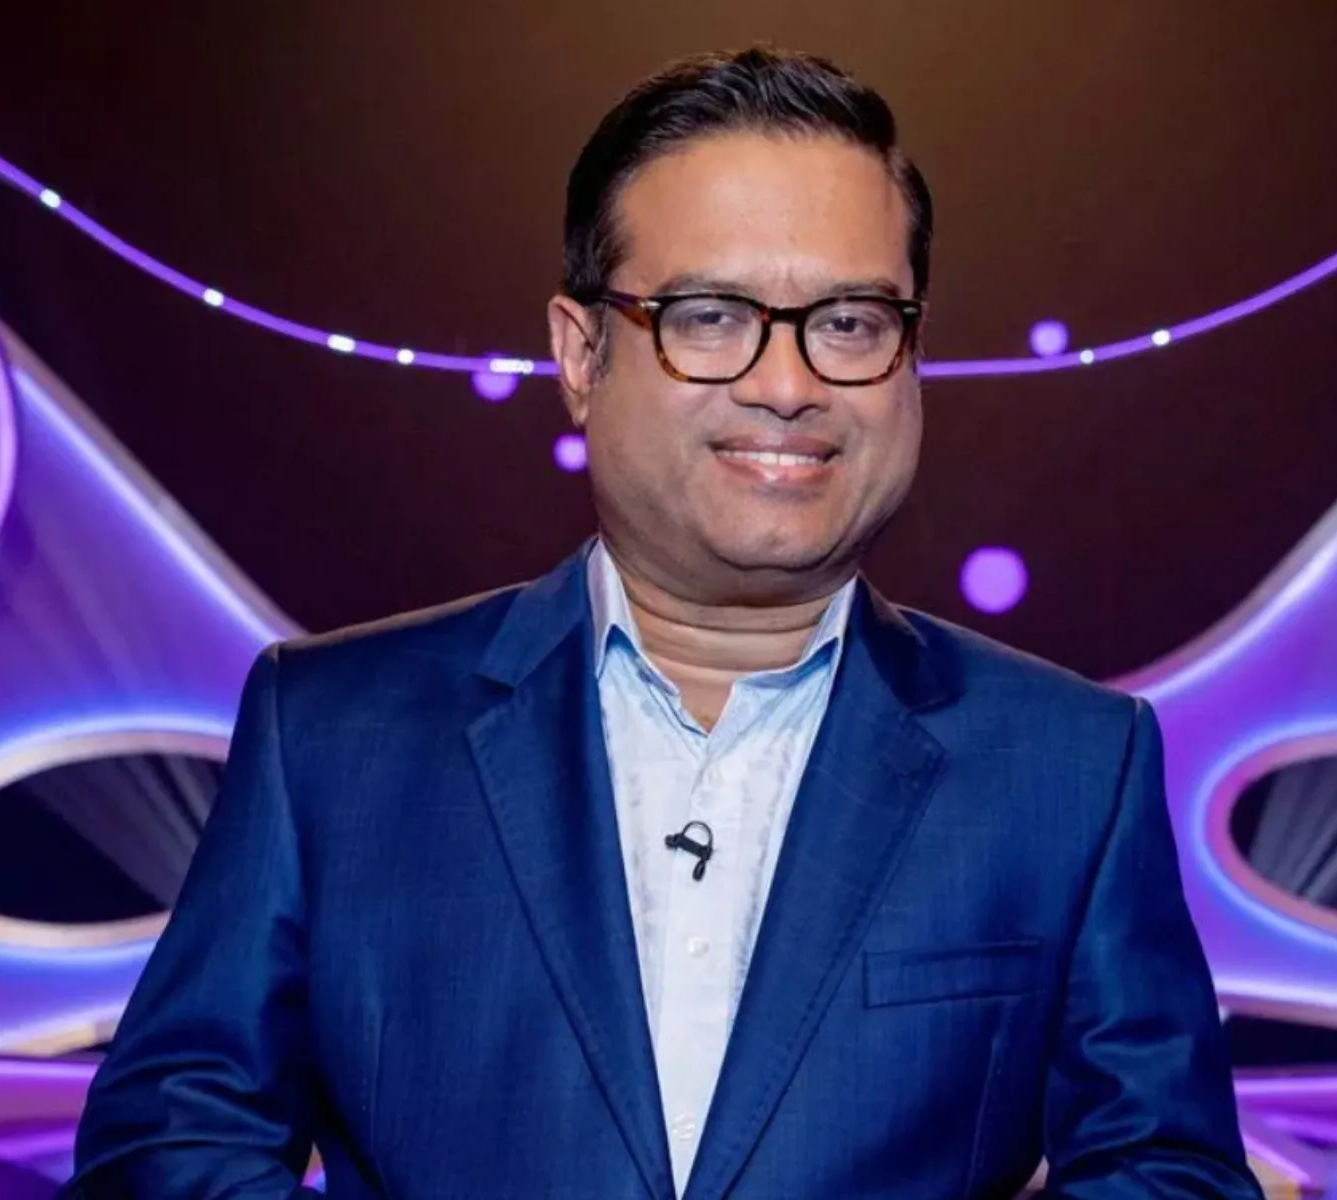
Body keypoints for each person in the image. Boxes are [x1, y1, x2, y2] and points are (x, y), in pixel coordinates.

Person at [66, 46, 1258, 1200]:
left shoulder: (1067, 764)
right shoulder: (331, 733)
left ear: (911, 356)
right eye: (708, 315)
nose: (786, 384)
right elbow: (163, 1148)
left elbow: (1170, 1172)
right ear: (581, 354)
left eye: (848, 321)